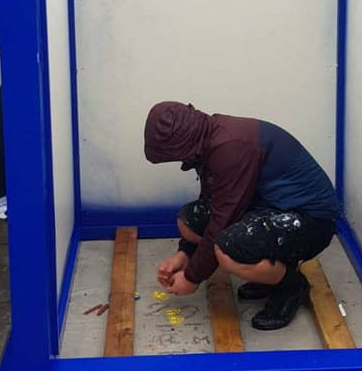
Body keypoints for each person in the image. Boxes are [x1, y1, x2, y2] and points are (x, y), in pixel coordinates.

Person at [144, 101, 338, 331]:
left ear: (181, 144)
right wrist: (185, 253)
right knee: (188, 220)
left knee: (227, 249)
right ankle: (271, 274)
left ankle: (291, 285)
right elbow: (214, 201)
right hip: (271, 207)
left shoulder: (230, 148)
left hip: (311, 220)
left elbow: (221, 221)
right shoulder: (208, 137)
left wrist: (192, 277)